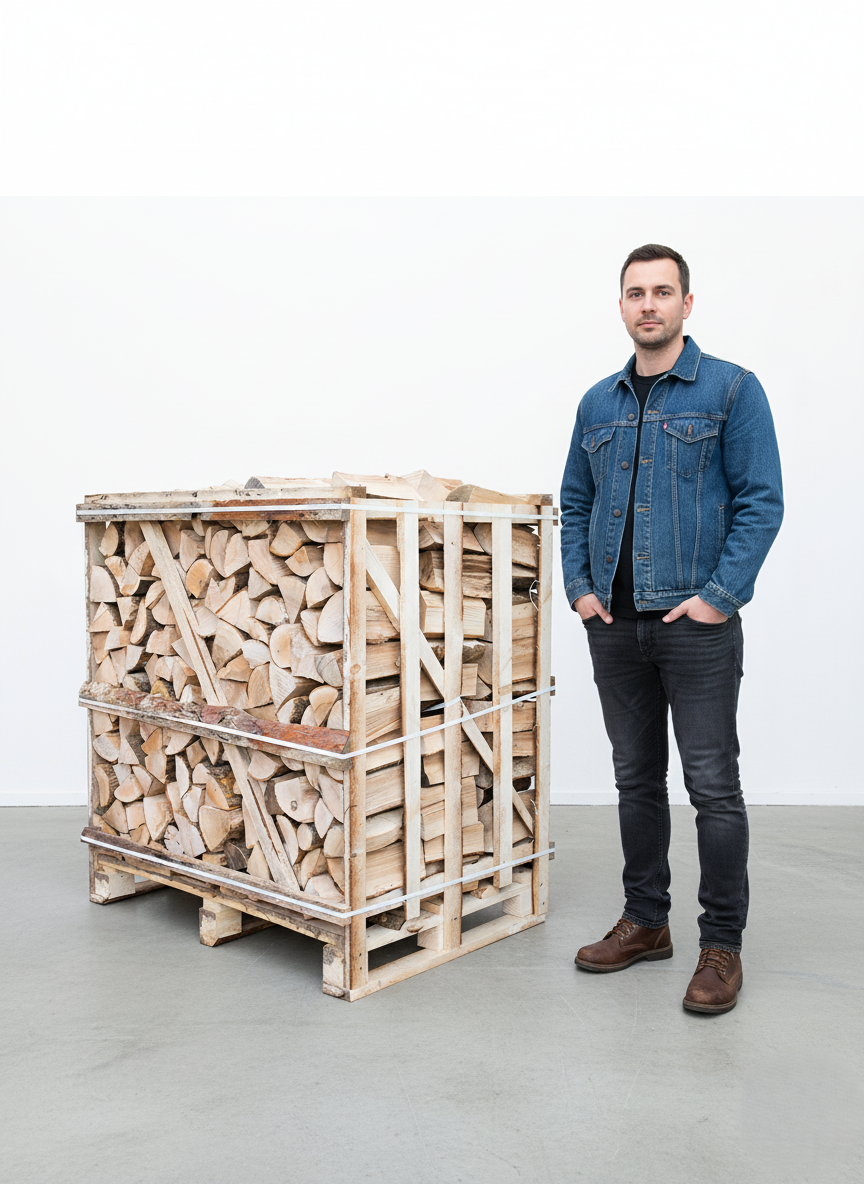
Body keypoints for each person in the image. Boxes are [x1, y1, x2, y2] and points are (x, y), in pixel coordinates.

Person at [560, 243, 783, 1014]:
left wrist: (720, 596)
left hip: (696, 624)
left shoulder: (731, 390)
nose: (647, 304)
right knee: (634, 779)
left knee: (713, 787)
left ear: (687, 304)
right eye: (634, 293)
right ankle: (646, 923)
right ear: (621, 306)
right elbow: (577, 503)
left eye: (662, 292)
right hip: (615, 626)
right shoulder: (598, 403)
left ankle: (721, 946)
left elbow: (762, 500)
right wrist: (582, 590)